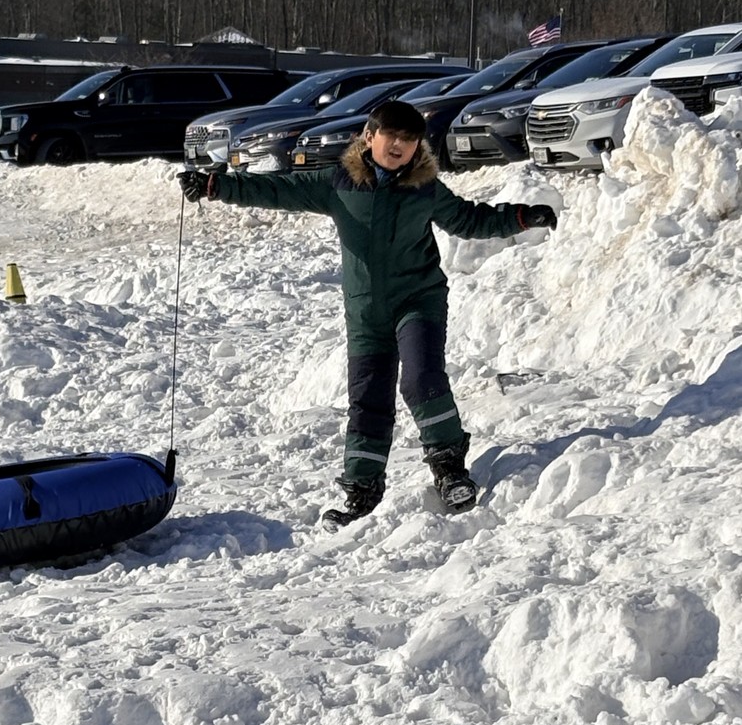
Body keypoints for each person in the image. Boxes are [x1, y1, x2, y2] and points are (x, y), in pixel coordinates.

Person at [177, 100, 556, 526]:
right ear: (369, 136)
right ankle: (362, 491)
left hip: (418, 300)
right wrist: (216, 187)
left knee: (421, 379)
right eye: (391, 136)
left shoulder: (425, 187)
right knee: (368, 398)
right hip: (365, 312)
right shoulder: (337, 182)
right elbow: (279, 188)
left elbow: (467, 219)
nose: (399, 146)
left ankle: (450, 470)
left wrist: (520, 216)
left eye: (409, 140)